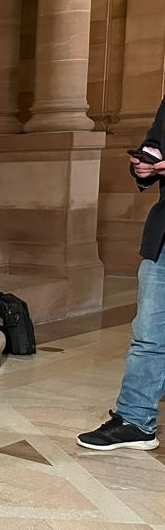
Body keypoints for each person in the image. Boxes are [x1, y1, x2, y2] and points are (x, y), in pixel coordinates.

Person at [77, 102, 165, 452]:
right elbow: (156, 145)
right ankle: (135, 420)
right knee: (148, 334)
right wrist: (145, 168)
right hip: (164, 238)